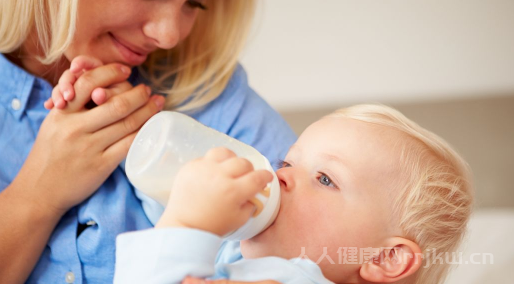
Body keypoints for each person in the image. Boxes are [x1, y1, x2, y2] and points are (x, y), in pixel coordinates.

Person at [0, 0, 296, 283]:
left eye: (193, 2)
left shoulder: (211, 95)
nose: (168, 35)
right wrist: (37, 195)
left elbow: (327, 240)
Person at [114, 104, 474, 284]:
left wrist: (189, 222)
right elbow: (161, 206)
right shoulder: (240, 250)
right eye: (287, 162)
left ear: (385, 258)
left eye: (325, 179)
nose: (281, 177)